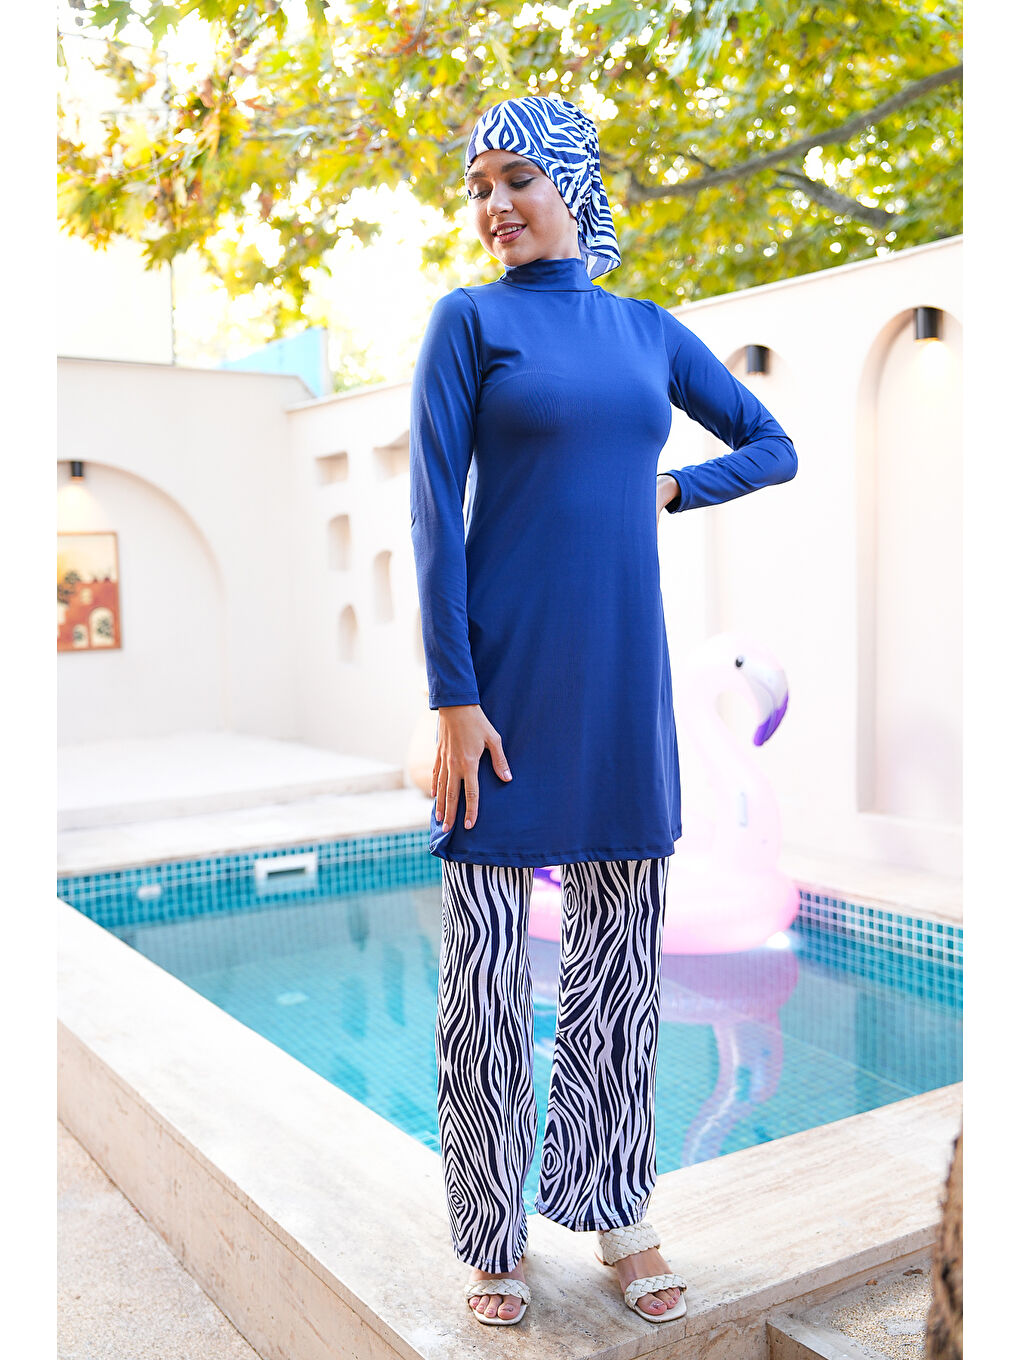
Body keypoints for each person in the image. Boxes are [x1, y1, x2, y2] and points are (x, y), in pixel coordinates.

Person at [409, 93, 798, 1328]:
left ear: (571, 181)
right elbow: (434, 516)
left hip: (627, 687)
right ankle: (492, 1232)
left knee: (620, 974)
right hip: (503, 689)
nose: (494, 204)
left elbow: (773, 445)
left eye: (515, 177)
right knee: (483, 984)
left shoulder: (647, 331)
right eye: (478, 187)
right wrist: (453, 697)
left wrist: (672, 487)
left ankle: (619, 1209)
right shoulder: (468, 322)